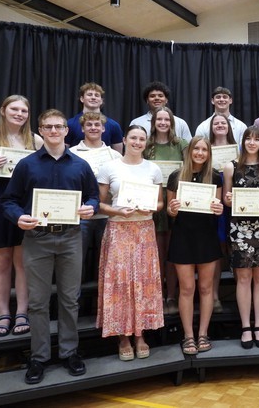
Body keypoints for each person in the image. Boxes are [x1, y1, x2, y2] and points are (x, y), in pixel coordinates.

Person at [1, 109, 99, 384]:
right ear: (41, 131)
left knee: (70, 299)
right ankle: (39, 357)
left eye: (58, 127)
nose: (54, 131)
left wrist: (90, 207)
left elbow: (93, 195)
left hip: (70, 238)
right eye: (48, 127)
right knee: (38, 302)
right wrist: (18, 217)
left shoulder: (80, 165)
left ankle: (69, 352)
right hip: (37, 239)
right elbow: (9, 200)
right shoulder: (27, 165)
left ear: (67, 131)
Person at [96, 125, 164, 362]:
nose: (137, 142)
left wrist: (150, 208)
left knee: (143, 283)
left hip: (144, 230)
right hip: (118, 229)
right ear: (124, 139)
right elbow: (99, 203)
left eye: (142, 139)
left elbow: (160, 204)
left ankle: (140, 335)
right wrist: (117, 211)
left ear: (146, 142)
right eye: (133, 138)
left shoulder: (153, 169)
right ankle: (123, 336)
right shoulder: (109, 167)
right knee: (120, 284)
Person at [0, 95, 43, 337]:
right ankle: (4, 314)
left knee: (24, 263)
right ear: (3, 110)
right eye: (14, 109)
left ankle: (22, 312)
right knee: (1, 262)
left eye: (24, 110)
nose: (19, 114)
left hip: (26, 205)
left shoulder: (35, 139)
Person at [166, 136, 224, 355]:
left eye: (204, 150)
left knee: (206, 287)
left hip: (206, 237)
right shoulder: (176, 176)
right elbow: (170, 213)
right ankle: (188, 336)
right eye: (196, 149)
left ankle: (203, 333)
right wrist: (172, 209)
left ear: (209, 154)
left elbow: (217, 209)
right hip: (182, 237)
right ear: (189, 151)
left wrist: (219, 210)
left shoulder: (215, 177)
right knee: (187, 288)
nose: (200, 153)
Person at [223, 126, 259, 349]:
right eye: (249, 139)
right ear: (243, 141)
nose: (252, 143)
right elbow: (227, 201)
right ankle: (246, 326)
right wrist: (228, 198)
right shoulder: (231, 167)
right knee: (243, 278)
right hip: (240, 229)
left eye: (256, 139)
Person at [143, 107, 189, 316]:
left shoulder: (180, 144)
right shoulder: (147, 145)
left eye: (166, 119)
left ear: (172, 122)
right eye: (158, 119)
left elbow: (189, 169)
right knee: (156, 253)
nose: (162, 122)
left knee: (172, 253)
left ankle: (171, 295)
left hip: (174, 201)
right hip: (151, 203)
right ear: (153, 122)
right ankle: (157, 295)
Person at [69, 112, 122, 282]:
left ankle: (104, 306)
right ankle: (76, 307)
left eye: (97, 124)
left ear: (103, 128)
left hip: (107, 217)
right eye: (89, 125)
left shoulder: (115, 156)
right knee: (75, 265)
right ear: (83, 128)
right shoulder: (71, 154)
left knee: (108, 264)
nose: (93, 127)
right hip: (79, 218)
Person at [208, 113, 237, 313]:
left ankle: (240, 292)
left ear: (229, 127)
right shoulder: (205, 149)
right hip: (214, 203)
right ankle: (215, 295)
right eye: (216, 123)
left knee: (236, 247)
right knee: (217, 249)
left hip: (236, 204)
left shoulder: (239, 150)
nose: (220, 125)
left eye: (223, 123)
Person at [65, 82, 123, 152]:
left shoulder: (114, 125)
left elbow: (118, 155)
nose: (93, 97)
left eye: (97, 95)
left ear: (101, 101)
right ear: (82, 99)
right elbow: (64, 152)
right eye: (89, 95)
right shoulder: (70, 124)